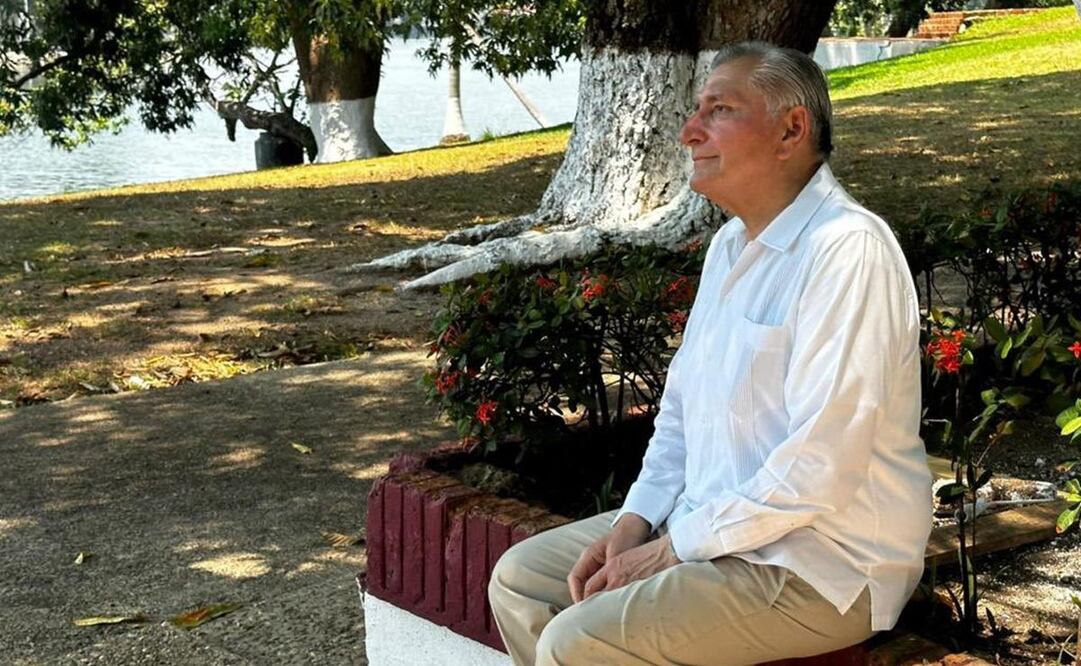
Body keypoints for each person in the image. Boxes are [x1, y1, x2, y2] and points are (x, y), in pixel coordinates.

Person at [488, 41, 933, 666]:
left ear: (792, 129)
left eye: (718, 110)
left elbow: (821, 463)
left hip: (819, 562)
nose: (689, 132)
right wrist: (637, 520)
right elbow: (681, 413)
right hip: (711, 527)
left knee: (577, 640)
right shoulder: (728, 246)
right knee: (522, 581)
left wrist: (672, 550)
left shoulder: (847, 249)